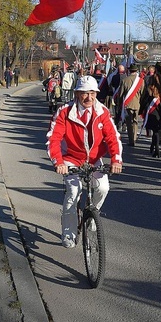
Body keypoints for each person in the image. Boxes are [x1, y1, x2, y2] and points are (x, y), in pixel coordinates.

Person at [46, 76, 123, 248]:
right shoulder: (65, 112)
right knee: (73, 192)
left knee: (103, 188)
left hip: (94, 159)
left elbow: (112, 137)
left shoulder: (102, 111)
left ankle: (92, 215)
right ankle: (68, 232)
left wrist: (116, 160)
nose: (88, 98)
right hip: (71, 159)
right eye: (84, 93)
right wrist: (59, 162)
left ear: (96, 94)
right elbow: (53, 139)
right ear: (76, 94)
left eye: (92, 93)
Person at [139, 80, 161, 158]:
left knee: (154, 130)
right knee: (157, 130)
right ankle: (155, 146)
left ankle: (156, 147)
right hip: (160, 112)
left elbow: (144, 101)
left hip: (152, 112)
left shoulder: (150, 89)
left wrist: (141, 110)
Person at [118, 63, 145, 146]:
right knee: (135, 122)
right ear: (136, 70)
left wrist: (119, 105)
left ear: (129, 71)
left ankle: (131, 140)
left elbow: (120, 94)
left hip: (128, 104)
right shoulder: (141, 81)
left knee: (129, 123)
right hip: (137, 104)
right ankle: (134, 138)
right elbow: (143, 94)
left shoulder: (125, 80)